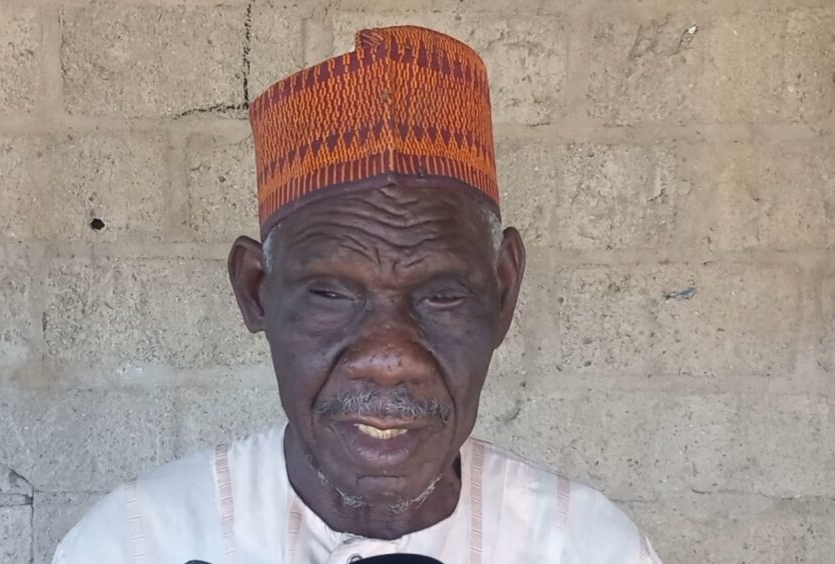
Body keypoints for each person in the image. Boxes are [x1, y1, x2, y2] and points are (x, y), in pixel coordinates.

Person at [54, 26, 662, 563]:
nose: (390, 357)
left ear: (502, 293)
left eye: (442, 296)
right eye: (330, 295)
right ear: (256, 292)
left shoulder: (588, 547)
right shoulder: (134, 544)